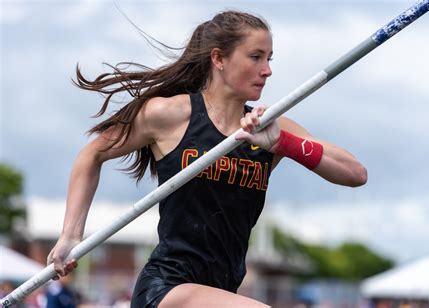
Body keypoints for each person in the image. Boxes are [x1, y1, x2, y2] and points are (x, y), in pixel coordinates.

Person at [47, 10, 367, 308]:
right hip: (168, 289)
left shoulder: (271, 126)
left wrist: (284, 142)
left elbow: (355, 173)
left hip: (224, 291)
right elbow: (92, 154)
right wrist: (70, 235)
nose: (267, 70)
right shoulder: (171, 115)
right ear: (219, 59)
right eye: (255, 57)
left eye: (269, 58)